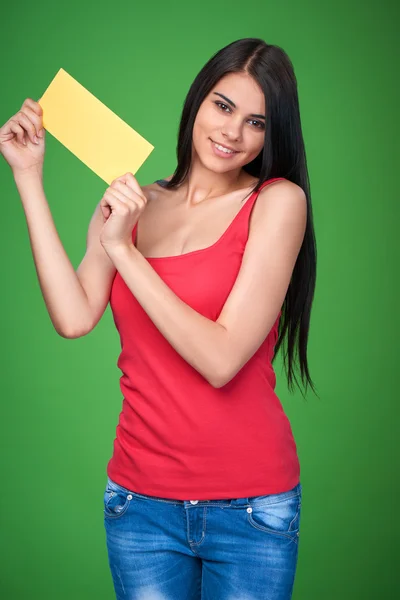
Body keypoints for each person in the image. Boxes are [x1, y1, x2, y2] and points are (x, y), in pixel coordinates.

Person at [1, 38, 317, 600]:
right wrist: (29, 177)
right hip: (139, 504)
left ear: (273, 134)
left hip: (250, 511)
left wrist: (124, 250)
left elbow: (220, 359)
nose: (231, 133)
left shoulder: (277, 202)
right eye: (222, 106)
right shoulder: (137, 201)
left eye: (256, 122)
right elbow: (73, 317)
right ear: (198, 102)